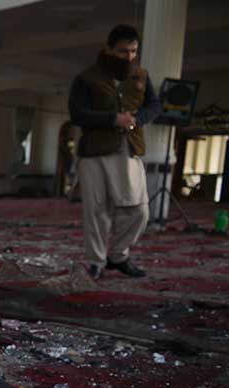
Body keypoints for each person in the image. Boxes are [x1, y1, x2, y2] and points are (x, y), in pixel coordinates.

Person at [68, 24, 160, 280]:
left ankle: (118, 255)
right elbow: (77, 114)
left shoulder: (141, 75)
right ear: (108, 49)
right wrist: (113, 119)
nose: (129, 57)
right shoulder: (86, 78)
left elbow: (154, 105)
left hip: (129, 148)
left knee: (139, 211)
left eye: (133, 51)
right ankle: (95, 262)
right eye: (123, 51)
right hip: (94, 152)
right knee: (97, 211)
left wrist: (138, 119)